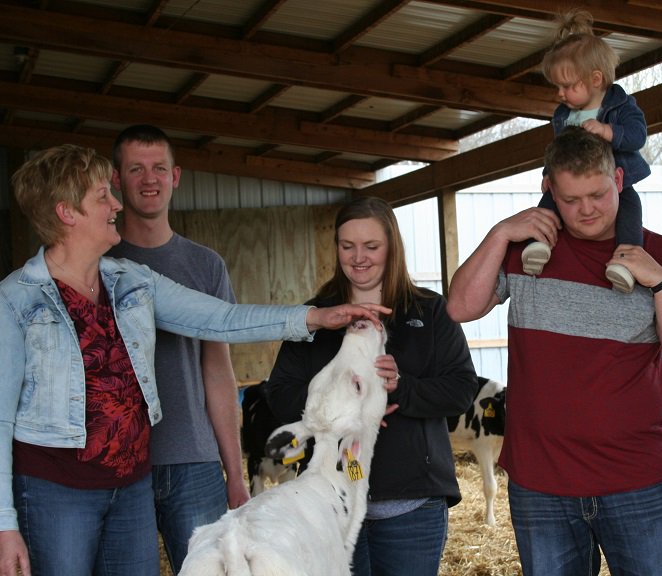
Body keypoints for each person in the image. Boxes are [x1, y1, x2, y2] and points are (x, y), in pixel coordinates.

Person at [0, 144, 389, 576]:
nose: (116, 204)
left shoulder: (131, 281)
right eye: (101, 196)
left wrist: (314, 317)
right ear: (67, 213)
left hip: (130, 485)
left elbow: (220, 319)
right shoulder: (16, 300)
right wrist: (4, 523)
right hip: (57, 491)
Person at [447, 126, 662, 576]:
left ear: (620, 182)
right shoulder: (525, 250)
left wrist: (661, 282)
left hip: (636, 481)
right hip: (541, 485)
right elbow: (459, 306)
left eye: (598, 194)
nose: (586, 209)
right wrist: (499, 233)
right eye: (571, 199)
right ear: (548, 188)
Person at [263, 196, 477, 576]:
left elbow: (461, 389)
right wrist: (340, 412)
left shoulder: (429, 313)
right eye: (347, 246)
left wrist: (401, 388)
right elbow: (279, 393)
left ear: (392, 247)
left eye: (371, 246)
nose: (358, 257)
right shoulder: (316, 317)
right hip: (330, 503)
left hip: (410, 504)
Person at [105, 124, 244, 574]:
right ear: (115, 179)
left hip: (195, 461)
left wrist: (235, 474)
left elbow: (219, 372)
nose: (150, 179)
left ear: (176, 176)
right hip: (121, 464)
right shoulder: (96, 263)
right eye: (136, 169)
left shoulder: (206, 265)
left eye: (159, 168)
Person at [521, 8, 650, 294]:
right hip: (572, 180)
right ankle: (538, 244)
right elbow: (559, 149)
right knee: (549, 201)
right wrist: (548, 172)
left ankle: (626, 261)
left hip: (618, 181)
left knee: (631, 210)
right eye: (558, 87)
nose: (560, 94)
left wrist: (609, 132)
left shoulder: (620, 105)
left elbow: (638, 135)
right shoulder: (563, 114)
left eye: (567, 86)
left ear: (594, 79)